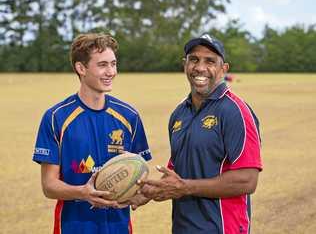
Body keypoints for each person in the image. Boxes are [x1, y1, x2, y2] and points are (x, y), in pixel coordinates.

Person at [139, 33, 263, 234]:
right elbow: (177, 175)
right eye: (194, 59)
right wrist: (148, 192)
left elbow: (247, 180)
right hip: (182, 228)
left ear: (224, 69)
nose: (200, 67)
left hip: (222, 228)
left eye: (210, 61)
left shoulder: (235, 111)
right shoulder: (178, 114)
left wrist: (186, 187)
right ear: (184, 64)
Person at [32, 33, 152, 234]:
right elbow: (49, 186)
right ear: (81, 68)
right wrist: (83, 193)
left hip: (119, 228)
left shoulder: (129, 116)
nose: (111, 72)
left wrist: (141, 194)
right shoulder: (56, 117)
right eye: (103, 65)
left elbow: (140, 174)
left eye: (113, 64)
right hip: (73, 227)